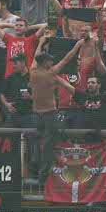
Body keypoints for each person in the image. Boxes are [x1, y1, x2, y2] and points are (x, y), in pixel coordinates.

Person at [29, 48, 78, 183]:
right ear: (45, 63)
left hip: (36, 113)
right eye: (50, 61)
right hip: (49, 114)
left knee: (38, 142)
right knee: (47, 145)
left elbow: (34, 58)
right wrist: (78, 45)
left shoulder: (32, 71)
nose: (52, 62)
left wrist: (41, 43)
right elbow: (66, 59)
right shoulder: (51, 73)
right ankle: (43, 175)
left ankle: (35, 166)